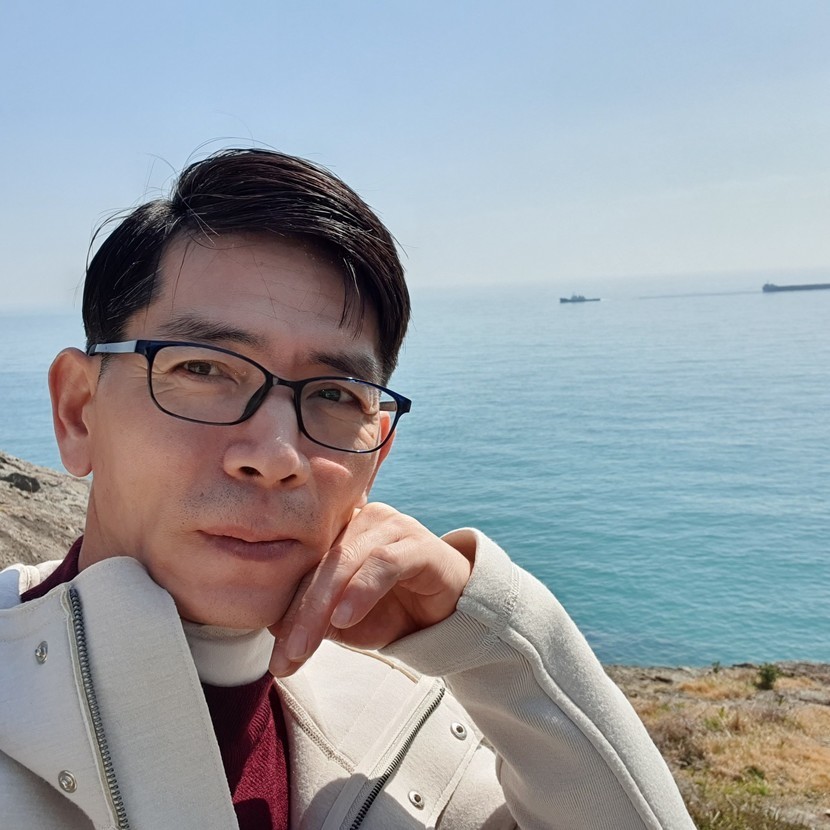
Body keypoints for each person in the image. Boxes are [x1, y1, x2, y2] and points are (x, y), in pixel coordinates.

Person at [0, 148, 695, 830]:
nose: (276, 456)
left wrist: (498, 643)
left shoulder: (414, 730)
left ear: (377, 454)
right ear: (79, 412)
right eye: (204, 369)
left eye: (334, 393)